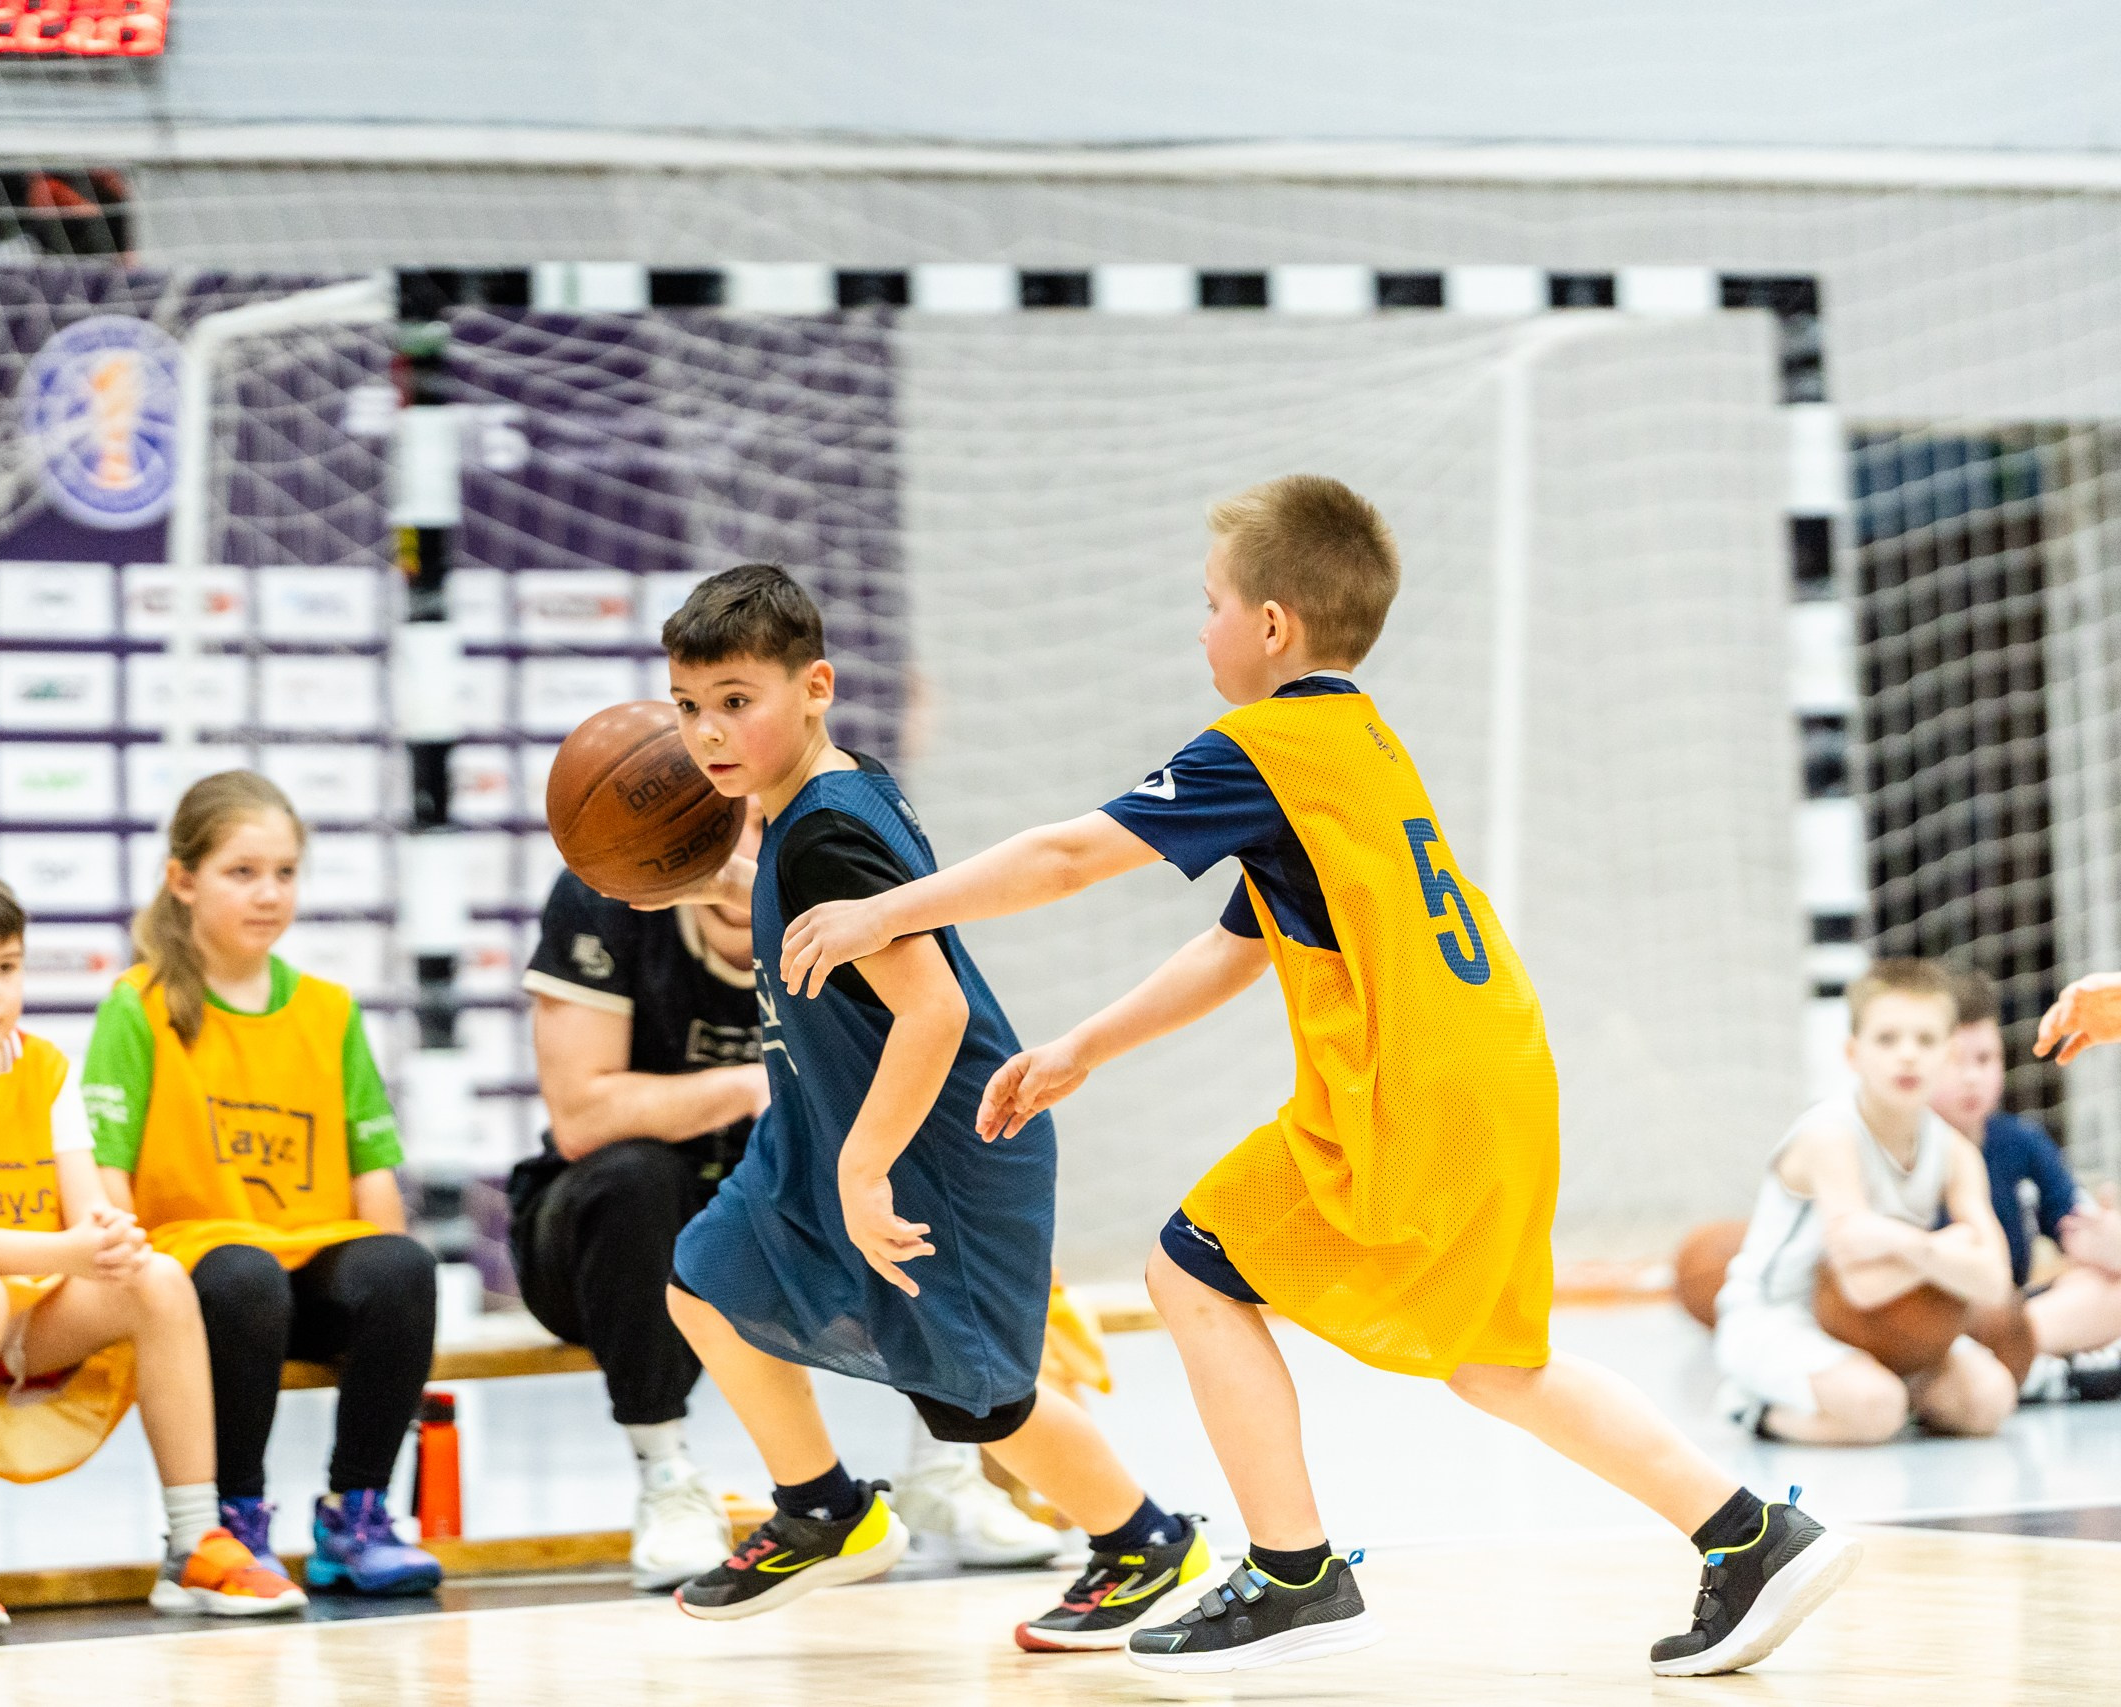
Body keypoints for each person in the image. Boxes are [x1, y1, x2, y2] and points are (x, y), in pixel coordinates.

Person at [776, 475, 1859, 1678]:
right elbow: (1239, 944)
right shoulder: (1360, 747)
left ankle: (1294, 1575)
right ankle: (1751, 1537)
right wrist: (1083, 1047)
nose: (1201, 630)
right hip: (1489, 1071)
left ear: (1273, 624)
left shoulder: (1265, 743)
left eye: (1211, 605)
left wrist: (886, 911)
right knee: (1497, 1362)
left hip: (1413, 1087)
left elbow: (1068, 855)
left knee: (1189, 1269)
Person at [650, 564, 1205, 1654]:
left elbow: (934, 1012)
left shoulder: (822, 833)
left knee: (974, 1401)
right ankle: (821, 1509)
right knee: (703, 1283)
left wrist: (862, 1175)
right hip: (826, 1128)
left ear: (815, 685)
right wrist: (717, 888)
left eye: (734, 701)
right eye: (687, 707)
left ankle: (1145, 1543)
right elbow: (816, 917)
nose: (707, 732)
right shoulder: (818, 800)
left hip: (935, 1146)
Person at [514, 815, 1067, 1591]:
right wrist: (750, 1087)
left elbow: (920, 1055)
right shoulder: (609, 891)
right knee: (636, 1178)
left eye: (753, 828)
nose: (733, 850)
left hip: (780, 1189)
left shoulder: (828, 886)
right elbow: (581, 1115)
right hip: (605, 1240)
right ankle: (667, 1478)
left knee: (915, 1155)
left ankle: (943, 1470)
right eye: (707, 828)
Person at [0, 858, 306, 1638]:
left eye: (5, 967)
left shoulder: (48, 1066)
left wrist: (111, 1239)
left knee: (159, 1277)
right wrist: (69, 1251)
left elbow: (88, 1212)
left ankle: (195, 1538)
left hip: (27, 1301)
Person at [84, 770, 441, 1596]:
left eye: (284, 872)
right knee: (244, 1274)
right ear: (183, 880)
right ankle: (230, 1521)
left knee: (402, 1264)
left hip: (304, 1266)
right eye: (241, 872)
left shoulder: (327, 1009)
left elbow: (371, 1174)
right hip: (202, 1274)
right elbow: (106, 1172)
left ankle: (356, 1515)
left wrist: (391, 1279)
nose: (268, 893)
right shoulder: (136, 1008)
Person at [1710, 961, 2018, 1443]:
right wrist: (1948, 1249)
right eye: (1888, 1039)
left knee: (1989, 1401)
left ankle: (1889, 1396)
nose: (1908, 1056)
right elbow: (1860, 1286)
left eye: (1925, 1040)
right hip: (1775, 1319)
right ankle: (1750, 1408)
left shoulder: (1954, 1151)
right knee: (1876, 1411)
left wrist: (1915, 1249)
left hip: (1876, 1325)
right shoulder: (1830, 1136)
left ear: (1949, 1053)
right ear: (1853, 1054)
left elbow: (1995, 1281)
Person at [1937, 967, 2121, 1398]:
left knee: (2108, 1289)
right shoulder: (1903, 1149)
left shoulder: (2022, 1143)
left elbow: (2080, 1230)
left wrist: (2108, 1241)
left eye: (1983, 1060)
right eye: (1953, 1062)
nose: (1970, 1078)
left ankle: (2005, 1358)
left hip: (2017, 1315)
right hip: (1931, 1319)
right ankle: (2014, 1365)